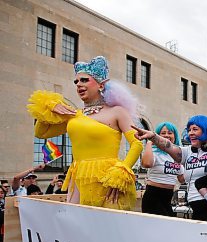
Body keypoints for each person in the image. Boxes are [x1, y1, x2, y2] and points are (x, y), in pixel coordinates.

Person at [26, 56, 143, 210]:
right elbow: (41, 133)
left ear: (101, 84)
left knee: (106, 226)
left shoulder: (117, 112)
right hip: (79, 177)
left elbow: (137, 143)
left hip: (107, 178)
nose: (79, 84)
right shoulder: (74, 115)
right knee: (78, 225)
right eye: (76, 81)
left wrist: (121, 172)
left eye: (84, 80)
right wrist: (49, 109)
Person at [133, 115, 207, 224]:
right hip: (197, 207)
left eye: (195, 129)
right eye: (189, 130)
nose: (190, 133)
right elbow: (168, 146)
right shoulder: (187, 152)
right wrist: (152, 136)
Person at [141, 121, 184, 217]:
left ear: (175, 135)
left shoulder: (178, 155)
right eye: (163, 133)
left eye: (170, 133)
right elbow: (147, 164)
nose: (166, 135)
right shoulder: (155, 152)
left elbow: (182, 179)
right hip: (153, 195)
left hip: (169, 197)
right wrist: (149, 143)